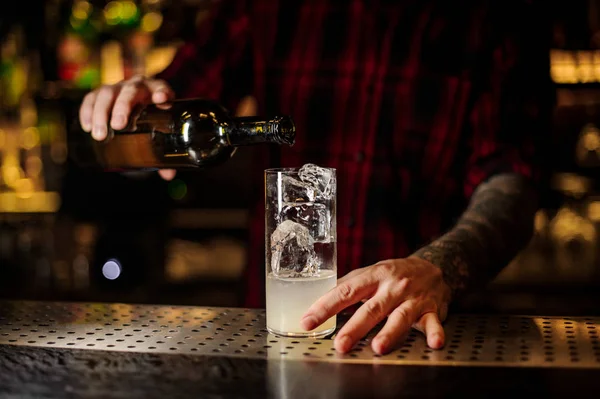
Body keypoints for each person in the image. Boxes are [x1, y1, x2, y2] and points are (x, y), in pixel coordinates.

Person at [78, 0, 553, 355]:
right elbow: (177, 106)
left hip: (417, 334)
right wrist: (133, 107)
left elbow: (513, 180)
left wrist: (439, 267)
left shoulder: (496, 16)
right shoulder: (270, 7)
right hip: (281, 337)